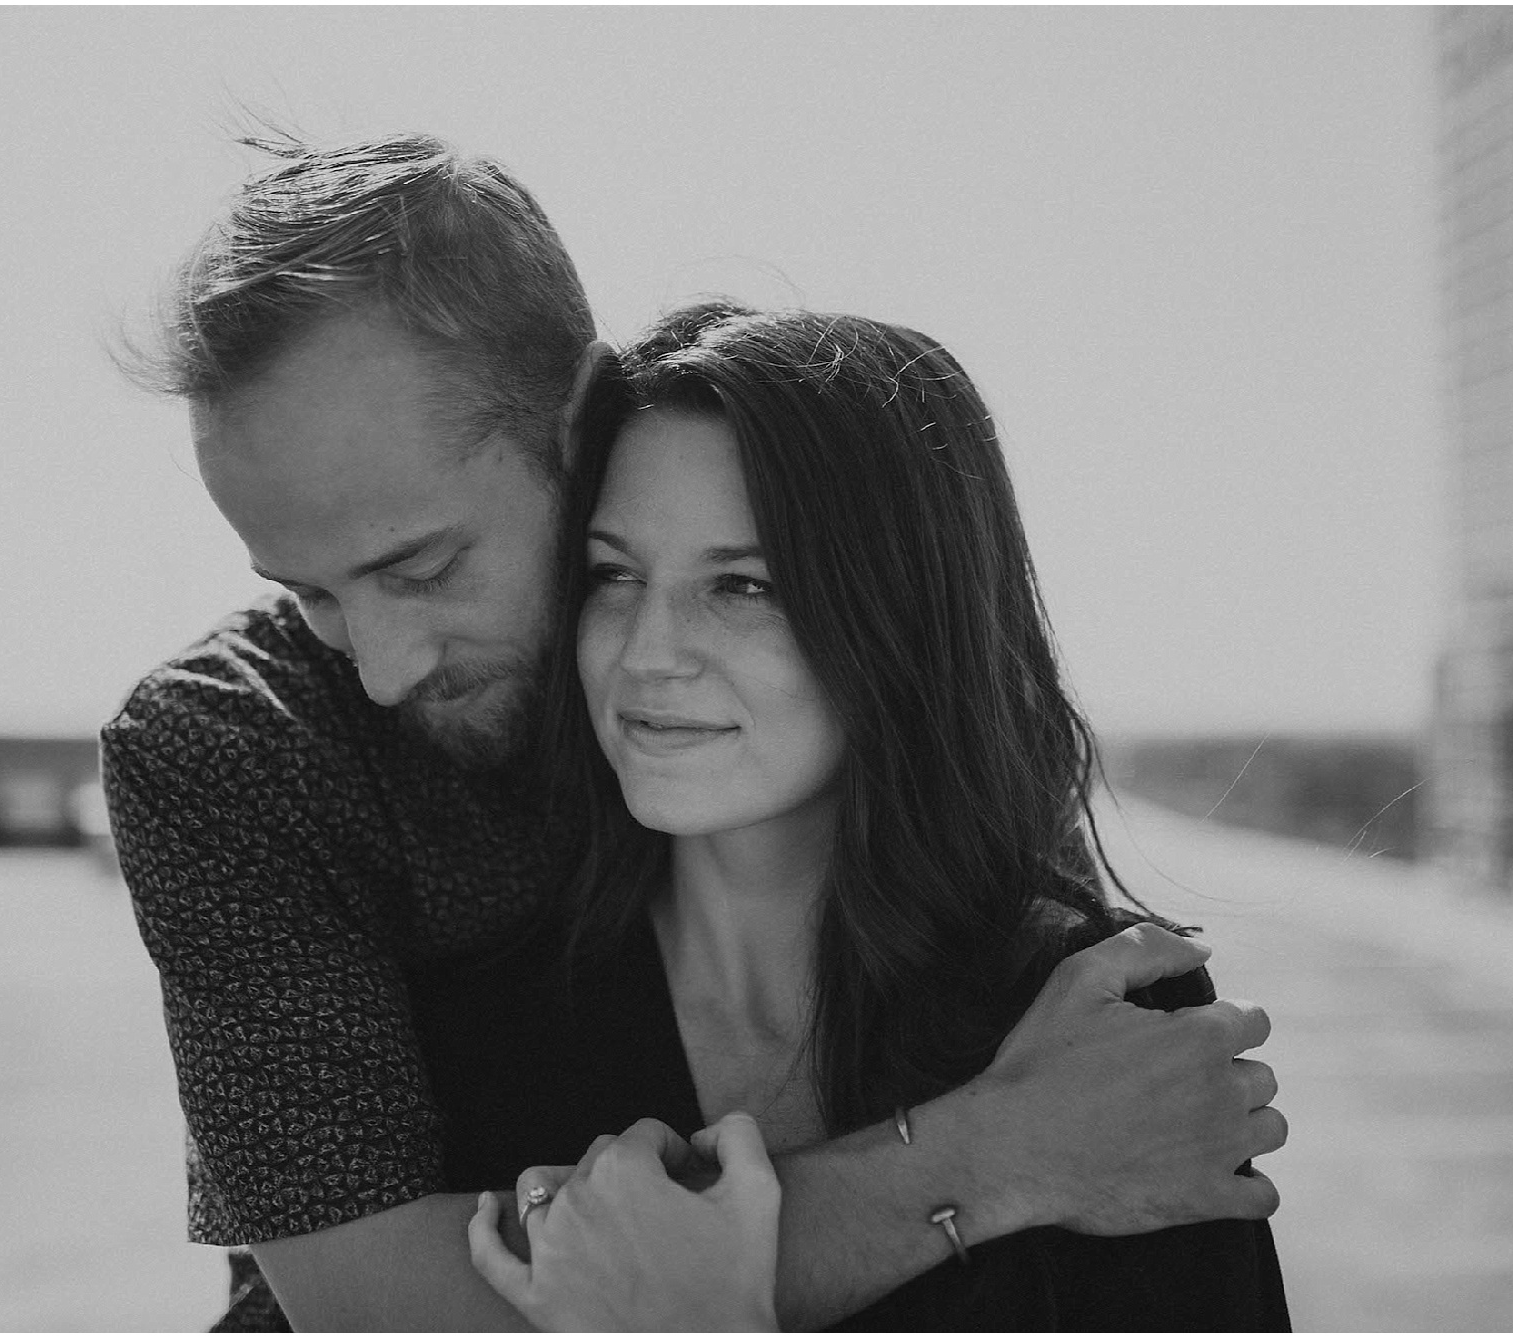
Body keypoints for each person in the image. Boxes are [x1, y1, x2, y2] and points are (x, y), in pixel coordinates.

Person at [104, 130, 1286, 1331]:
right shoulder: (240, 758)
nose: (382, 673)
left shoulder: (1069, 1002)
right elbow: (374, 1310)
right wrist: (977, 1160)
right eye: (305, 593)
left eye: (424, 568)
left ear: (582, 429)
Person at [459, 303, 1289, 1329]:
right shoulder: (482, 1017)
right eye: (613, 575)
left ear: (899, 612)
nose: (645, 651)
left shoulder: (1096, 1014)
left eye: (742, 584)